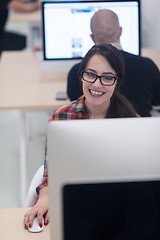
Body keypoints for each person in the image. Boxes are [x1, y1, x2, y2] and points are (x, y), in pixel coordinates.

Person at [24, 43, 138, 229]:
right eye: (91, 74)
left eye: (107, 78)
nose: (97, 84)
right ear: (81, 75)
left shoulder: (132, 122)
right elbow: (50, 174)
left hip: (121, 212)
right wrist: (44, 200)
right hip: (78, 210)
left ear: (118, 81)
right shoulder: (62, 116)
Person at [67, 9, 160, 117]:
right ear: (120, 31)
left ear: (92, 37)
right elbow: (157, 102)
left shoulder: (76, 72)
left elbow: (76, 107)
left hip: (93, 132)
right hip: (139, 131)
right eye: (92, 75)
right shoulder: (147, 66)